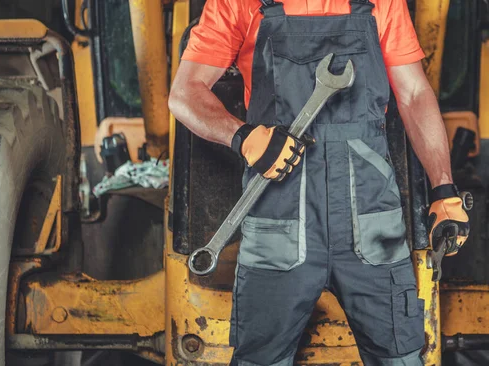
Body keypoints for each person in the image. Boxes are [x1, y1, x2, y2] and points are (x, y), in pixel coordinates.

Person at [168, 0, 470, 365]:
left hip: (370, 216)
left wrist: (443, 188)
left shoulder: (381, 2)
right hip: (279, 214)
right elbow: (184, 94)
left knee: (401, 357)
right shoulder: (238, 2)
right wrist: (243, 137)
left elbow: (414, 94)